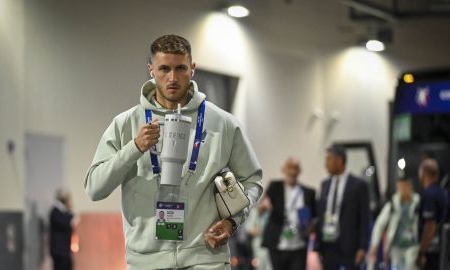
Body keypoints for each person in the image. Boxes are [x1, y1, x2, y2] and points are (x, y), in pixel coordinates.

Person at [84, 34, 263, 269]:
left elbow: (252, 180)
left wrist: (233, 221)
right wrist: (135, 147)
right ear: (151, 69)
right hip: (146, 261)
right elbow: (95, 188)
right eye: (164, 69)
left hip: (206, 258)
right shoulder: (126, 123)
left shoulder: (223, 124)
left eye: (180, 68)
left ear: (193, 69)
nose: (173, 78)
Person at [314, 145, 370, 270]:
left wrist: (362, 247)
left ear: (339, 160)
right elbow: (321, 213)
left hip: (349, 246)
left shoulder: (359, 185)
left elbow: (364, 219)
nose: (325, 164)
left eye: (328, 159)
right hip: (327, 244)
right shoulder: (325, 185)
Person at [260, 158, 317, 270]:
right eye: (290, 168)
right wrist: (264, 205)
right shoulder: (275, 187)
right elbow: (261, 208)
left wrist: (311, 226)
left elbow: (315, 217)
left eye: (295, 168)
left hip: (299, 245)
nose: (292, 172)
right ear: (284, 169)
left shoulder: (308, 192)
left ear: (299, 171)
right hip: (278, 245)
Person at [368, 178, 420, 270]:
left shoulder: (417, 202)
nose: (403, 190)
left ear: (410, 187)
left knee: (411, 266)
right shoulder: (393, 203)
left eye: (405, 186)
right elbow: (380, 225)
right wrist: (374, 244)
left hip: (413, 244)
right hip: (396, 245)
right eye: (400, 187)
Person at [415, 158, 447, 269]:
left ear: (423, 173)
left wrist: (421, 252)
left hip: (432, 251)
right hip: (443, 250)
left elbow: (430, 225)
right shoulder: (442, 193)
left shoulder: (429, 195)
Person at [50, 189, 78, 270]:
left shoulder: (61, 212)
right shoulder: (55, 212)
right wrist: (71, 215)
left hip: (64, 251)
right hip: (59, 251)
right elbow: (66, 222)